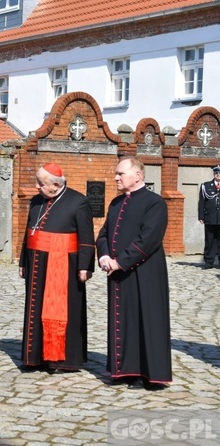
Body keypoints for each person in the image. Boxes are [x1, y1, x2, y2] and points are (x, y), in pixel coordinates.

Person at [96, 156, 171, 390]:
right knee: (123, 319)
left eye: (121, 174)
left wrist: (122, 262)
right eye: (116, 174)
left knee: (145, 320)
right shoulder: (116, 203)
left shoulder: (155, 203)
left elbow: (148, 239)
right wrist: (105, 256)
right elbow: (104, 234)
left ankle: (147, 374)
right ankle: (124, 370)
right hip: (118, 271)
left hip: (146, 272)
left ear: (138, 175)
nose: (116, 177)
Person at [18, 163, 95, 373]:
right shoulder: (36, 200)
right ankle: (35, 357)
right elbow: (29, 232)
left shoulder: (78, 202)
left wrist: (84, 266)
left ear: (54, 185)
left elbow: (87, 238)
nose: (36, 187)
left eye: (40, 183)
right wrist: (23, 261)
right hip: (36, 264)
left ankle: (61, 360)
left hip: (64, 264)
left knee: (63, 310)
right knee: (35, 308)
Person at [198, 165, 220, 269]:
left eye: (219, 173)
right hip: (210, 218)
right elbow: (202, 202)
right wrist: (201, 216)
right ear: (214, 174)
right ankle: (209, 261)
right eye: (216, 173)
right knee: (209, 240)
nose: (218, 175)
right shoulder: (205, 186)